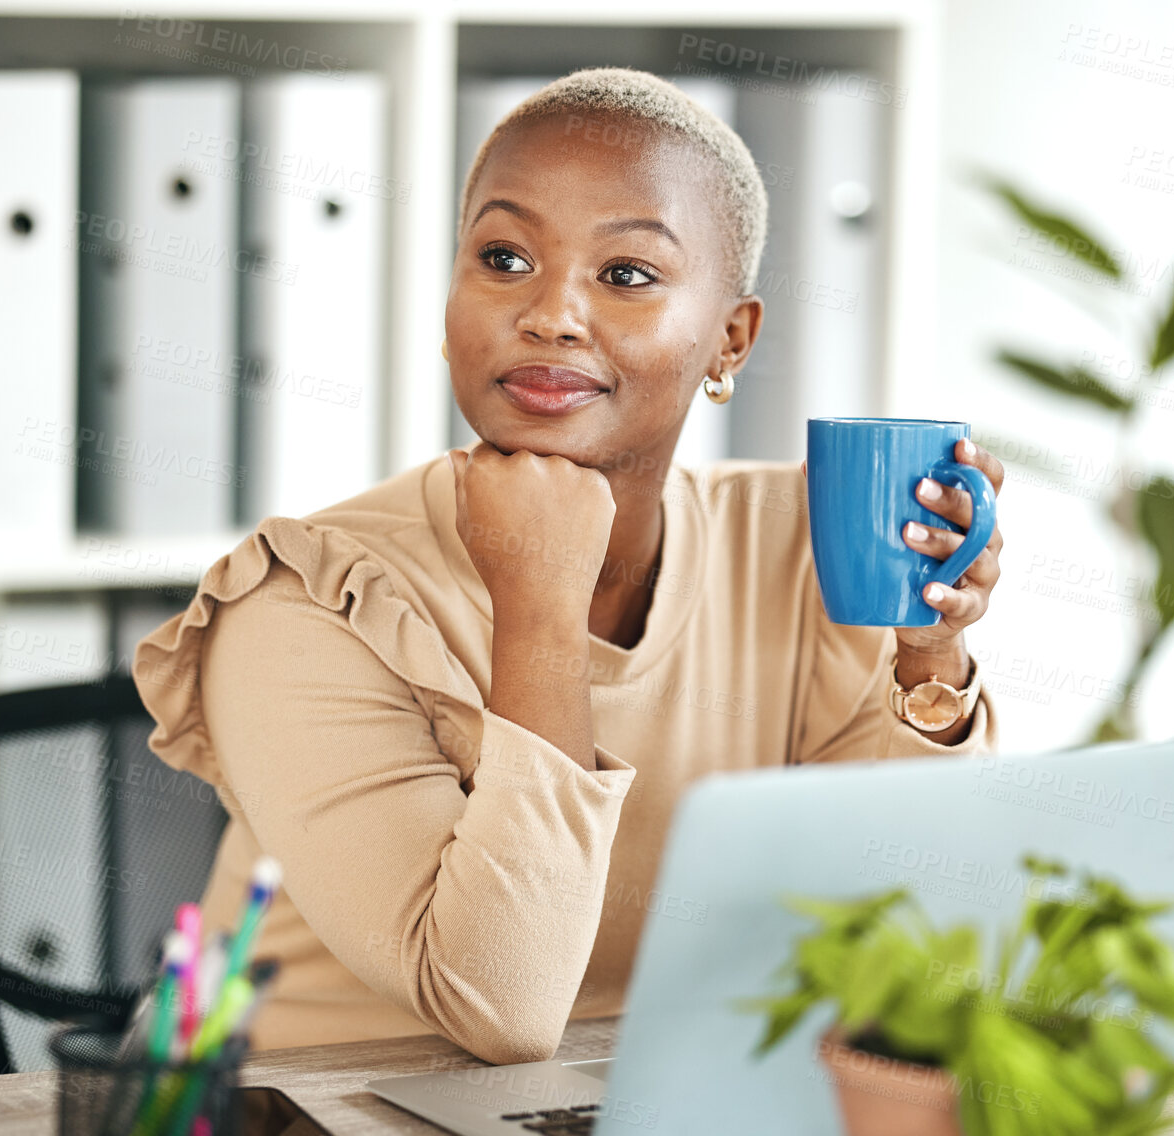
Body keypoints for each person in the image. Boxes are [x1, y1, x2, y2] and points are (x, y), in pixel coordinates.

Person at [133, 66, 1007, 1064]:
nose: (550, 313)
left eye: (625, 273)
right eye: (502, 257)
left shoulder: (798, 544)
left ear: (730, 338)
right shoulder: (305, 600)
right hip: (293, 1108)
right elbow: (493, 1005)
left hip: (647, 1100)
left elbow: (902, 940)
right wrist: (539, 608)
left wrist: (929, 657)